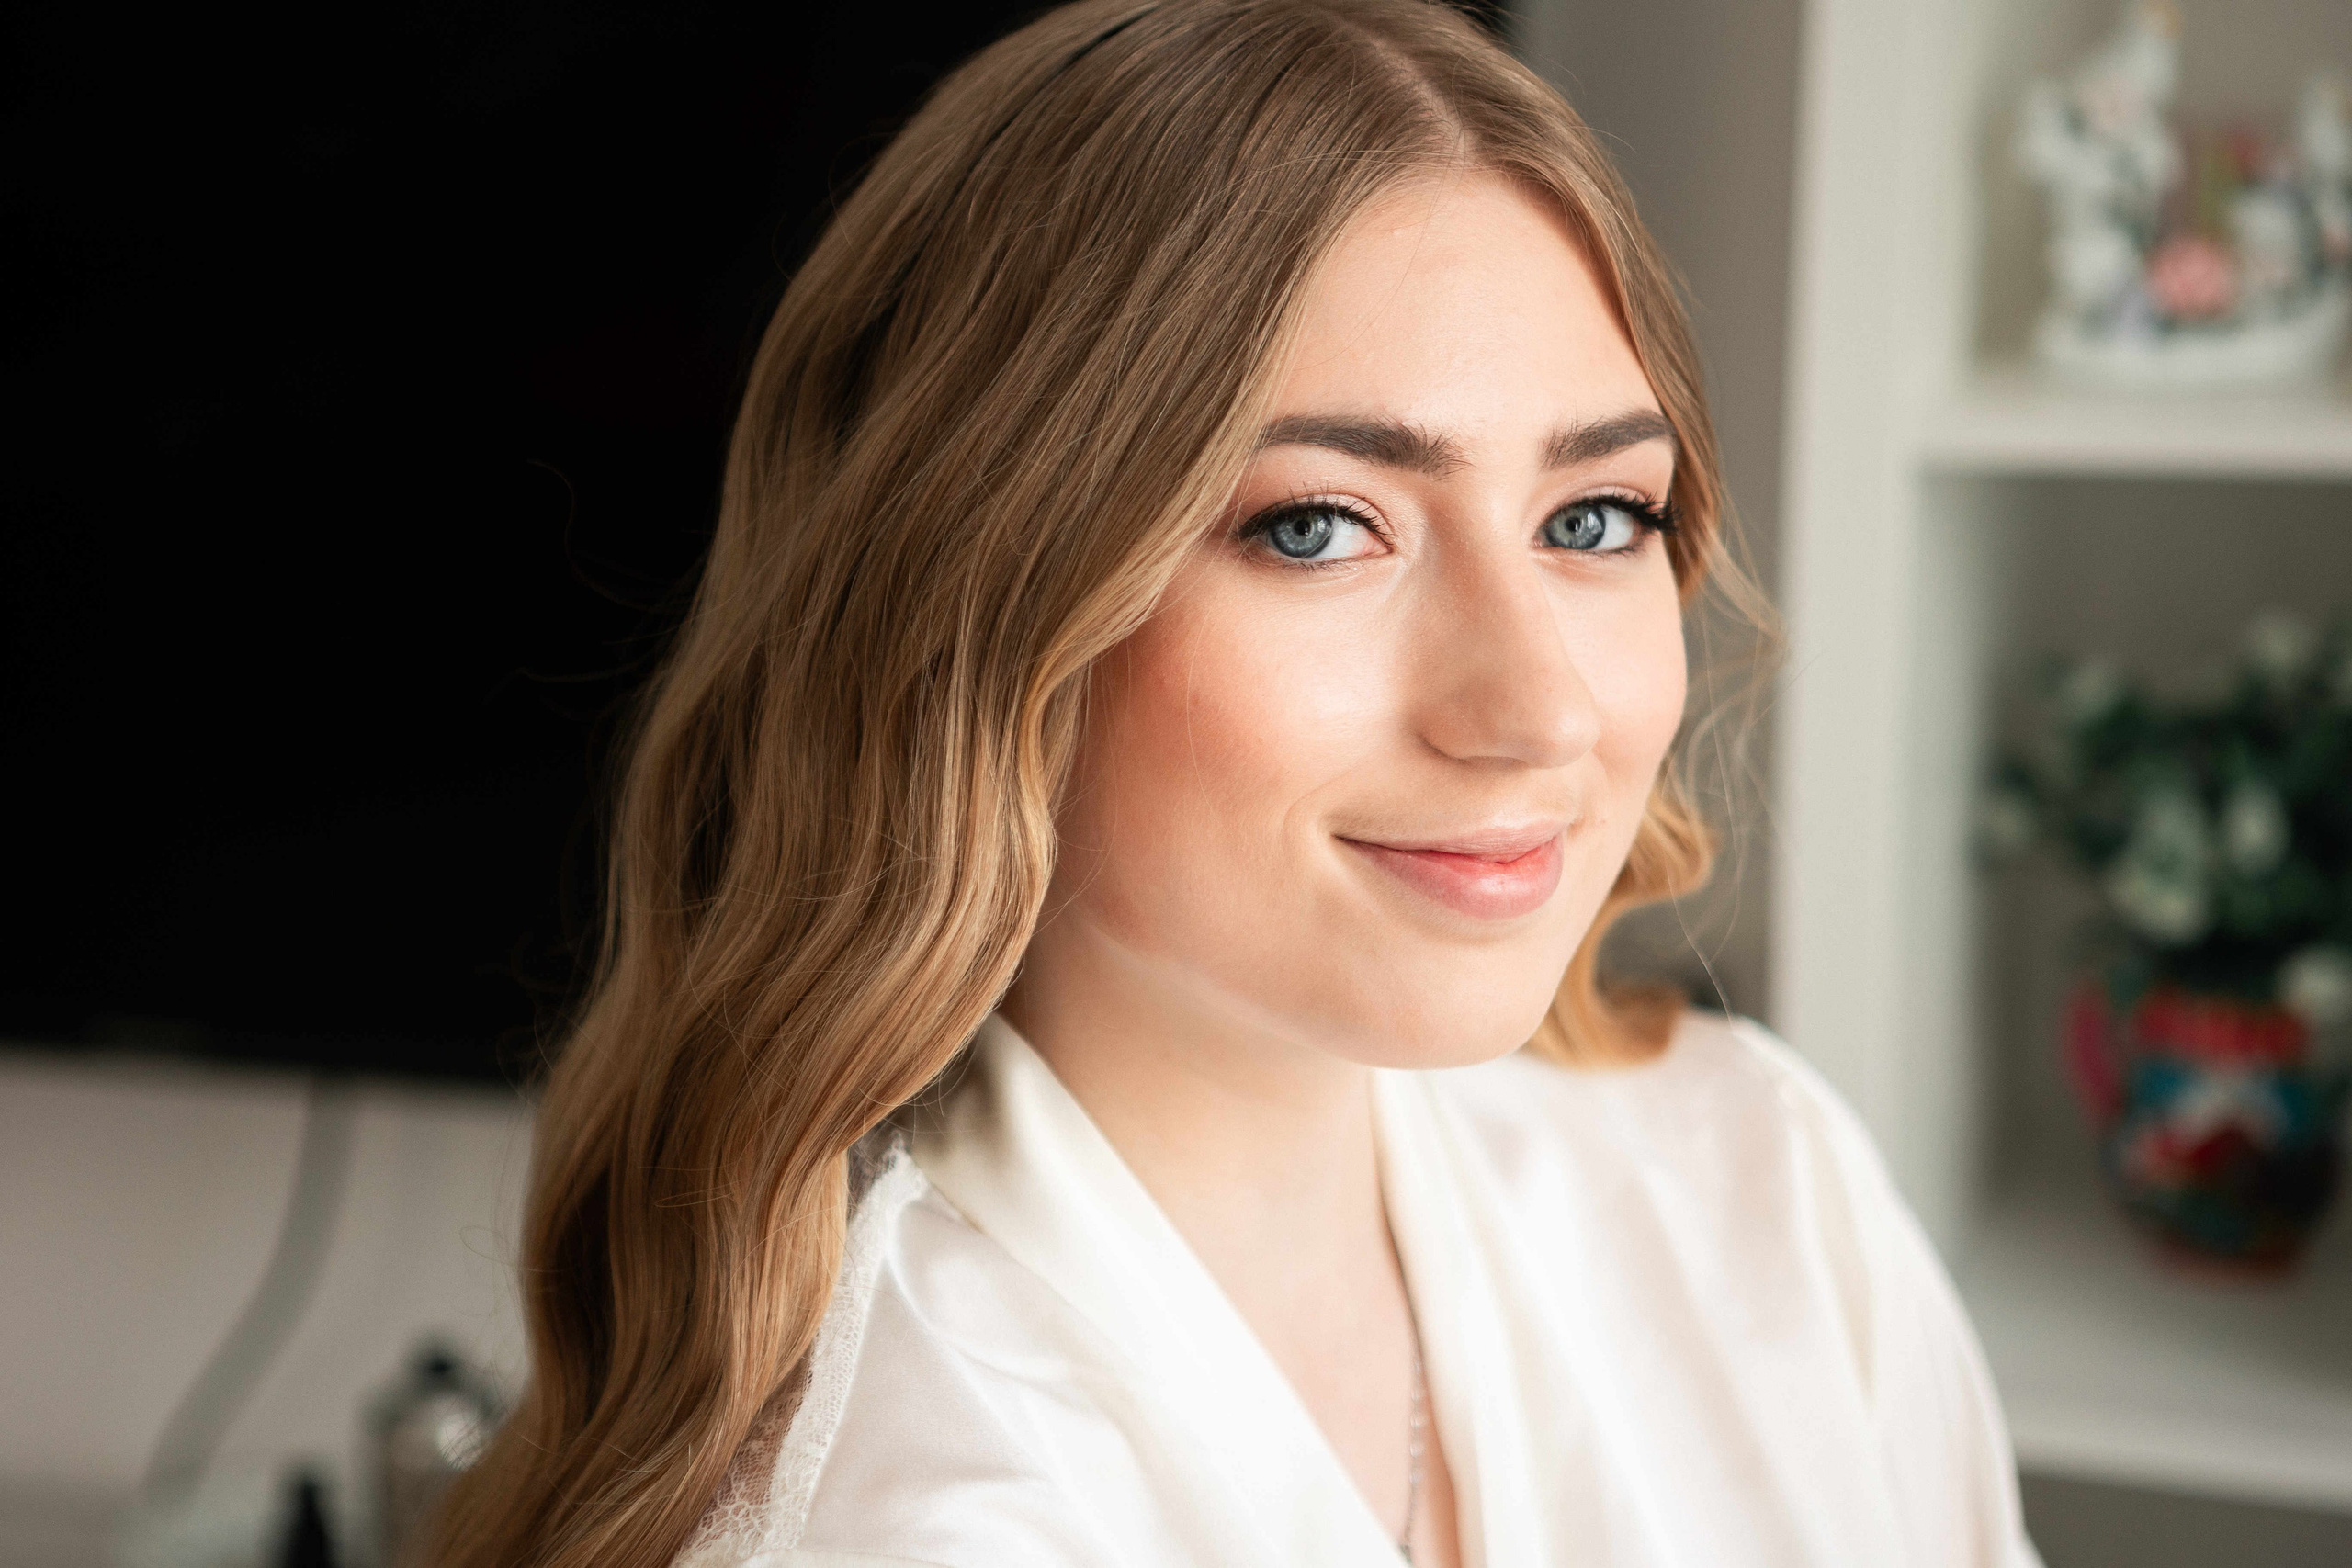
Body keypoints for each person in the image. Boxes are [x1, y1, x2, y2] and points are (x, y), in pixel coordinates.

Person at [434, 3, 2042, 1564]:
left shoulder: (1757, 1184)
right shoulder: (906, 1516)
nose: (1541, 707)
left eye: (1594, 518)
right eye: (1318, 527)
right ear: (980, 612)